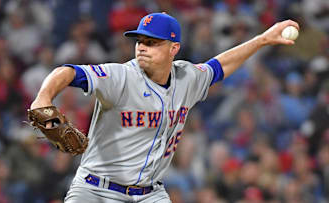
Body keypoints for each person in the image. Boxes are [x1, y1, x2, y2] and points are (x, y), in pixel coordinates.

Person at [30, 13, 299, 202]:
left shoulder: (187, 78)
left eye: (152, 42)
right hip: (95, 191)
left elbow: (220, 66)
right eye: (139, 41)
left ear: (174, 48)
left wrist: (262, 39)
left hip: (150, 194)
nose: (142, 48)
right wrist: (43, 97)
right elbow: (67, 72)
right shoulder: (119, 77)